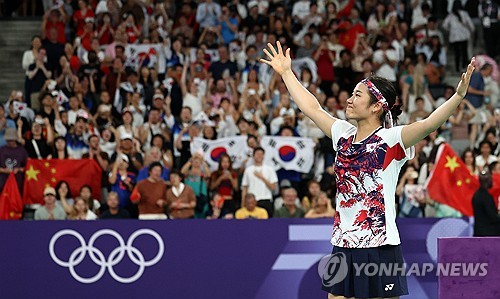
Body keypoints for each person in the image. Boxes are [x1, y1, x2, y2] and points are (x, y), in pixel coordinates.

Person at [261, 41, 476, 299]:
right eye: (352, 94)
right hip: (342, 242)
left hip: (379, 244)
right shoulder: (342, 134)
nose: (350, 100)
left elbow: (429, 123)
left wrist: (458, 96)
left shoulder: (391, 139)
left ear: (376, 106)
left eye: (357, 96)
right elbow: (312, 108)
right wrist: (286, 73)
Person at [241, 147, 278, 217]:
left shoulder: (270, 169)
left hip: (266, 199)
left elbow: (273, 187)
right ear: (253, 156)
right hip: (252, 201)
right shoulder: (248, 170)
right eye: (257, 154)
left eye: (261, 154)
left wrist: (262, 177)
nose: (259, 156)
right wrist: (243, 203)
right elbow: (244, 188)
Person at [472, 169, 500, 236]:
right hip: (488, 233)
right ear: (488, 181)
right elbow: (493, 217)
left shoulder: (477, 194)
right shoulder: (485, 197)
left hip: (479, 231)